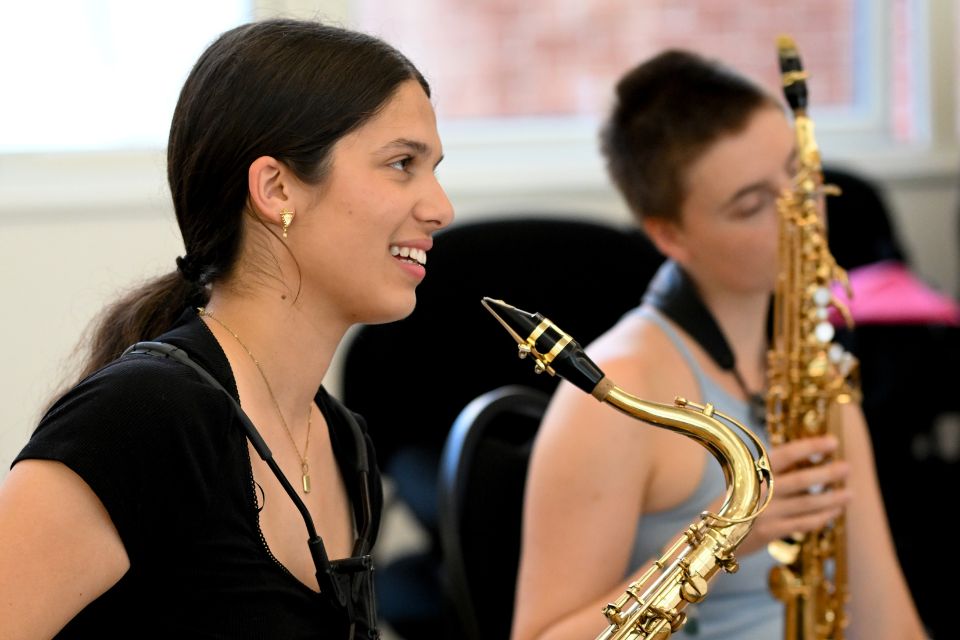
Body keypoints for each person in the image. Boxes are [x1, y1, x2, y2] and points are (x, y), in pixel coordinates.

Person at [0, 18, 453, 638]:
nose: (441, 208)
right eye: (402, 163)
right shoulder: (142, 418)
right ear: (276, 187)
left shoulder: (343, 441)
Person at [510, 50, 926, 640]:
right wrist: (720, 539)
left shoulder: (816, 364)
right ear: (670, 234)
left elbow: (887, 619)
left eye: (798, 174)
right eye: (754, 204)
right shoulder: (615, 393)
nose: (803, 215)